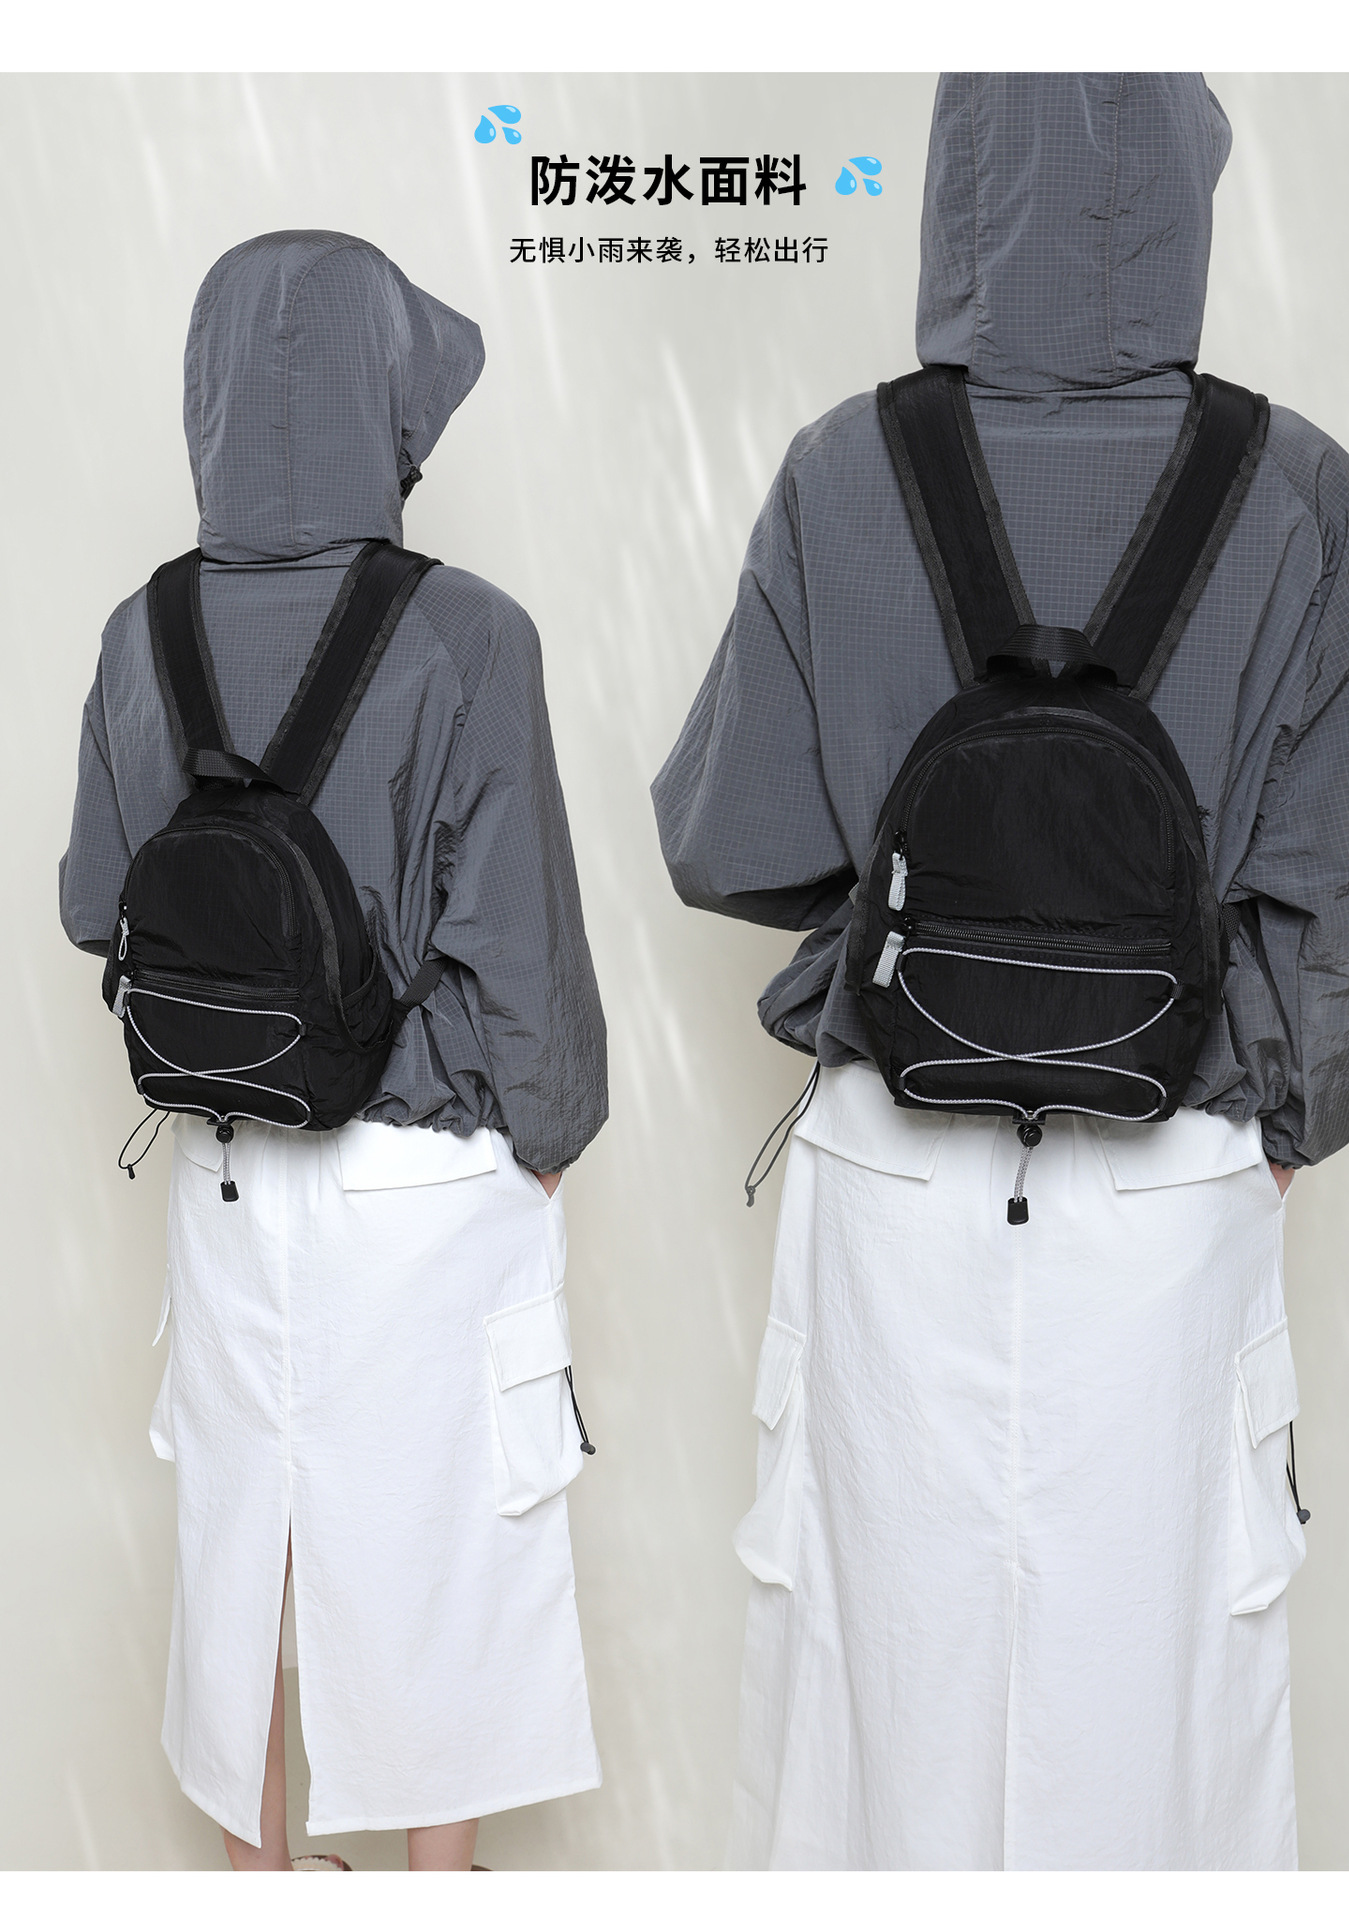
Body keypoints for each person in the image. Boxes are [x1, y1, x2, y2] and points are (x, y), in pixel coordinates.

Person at [652, 74, 1349, 1869]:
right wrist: (1276, 1124)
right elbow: (1336, 888)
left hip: (894, 1172)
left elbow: (724, 840)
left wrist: (912, 926)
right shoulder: (1296, 490)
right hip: (1171, 1177)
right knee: (1163, 1719)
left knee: (872, 1714)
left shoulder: (841, 467)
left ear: (959, 184)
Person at [59, 230, 607, 1871]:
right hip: (422, 1180)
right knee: (440, 1555)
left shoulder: (141, 631)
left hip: (226, 1175)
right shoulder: (468, 635)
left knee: (251, 1547)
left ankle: (259, 1880)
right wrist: (548, 1136)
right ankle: (436, 1886)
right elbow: (523, 943)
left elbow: (95, 904)